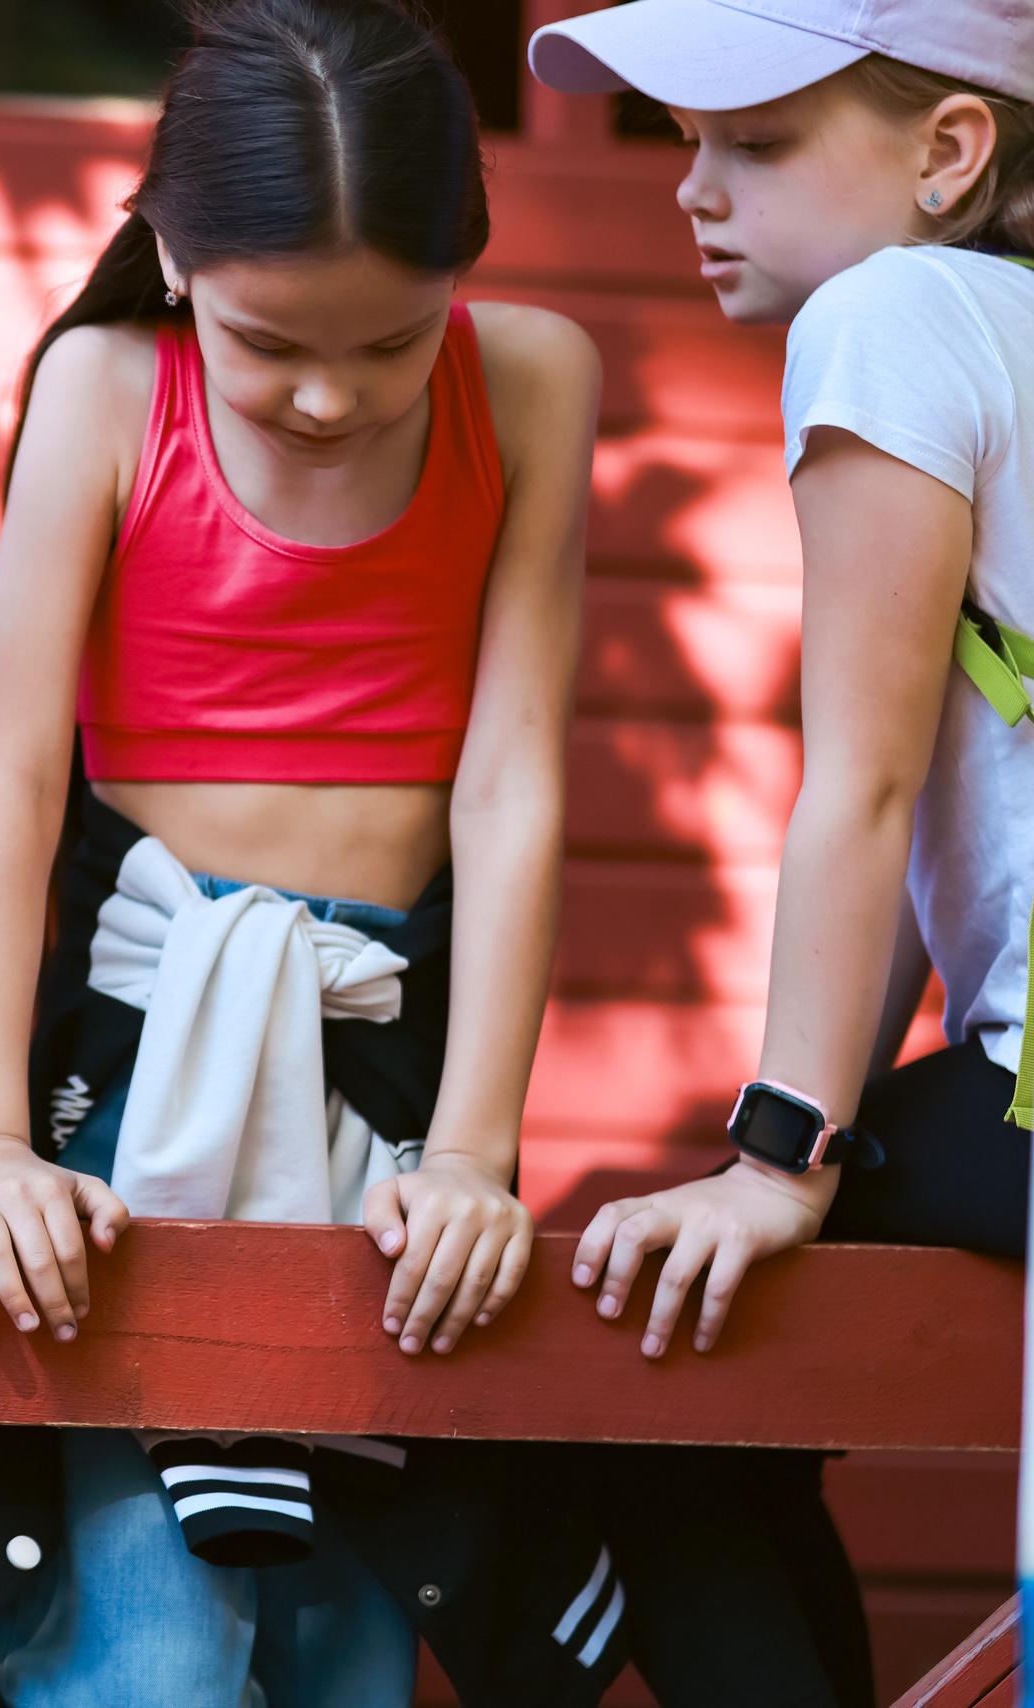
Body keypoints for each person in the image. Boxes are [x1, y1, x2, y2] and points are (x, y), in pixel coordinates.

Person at [0, 0, 613, 1702]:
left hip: (383, 1063)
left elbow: (511, 782)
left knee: (350, 1626)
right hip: (136, 1057)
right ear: (171, 251)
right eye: (271, 338)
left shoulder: (537, 380)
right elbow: (9, 776)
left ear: (462, 280)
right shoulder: (105, 387)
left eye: (391, 342)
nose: (329, 393)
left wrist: (478, 1151)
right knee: (150, 1635)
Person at [526, 5, 1034, 1705]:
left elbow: (864, 788)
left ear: (949, 154)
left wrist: (778, 1161)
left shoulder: (893, 312)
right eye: (685, 140)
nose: (694, 189)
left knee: (647, 1354)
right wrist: (806, 1131)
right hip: (1000, 1072)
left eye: (756, 144)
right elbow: (920, 842)